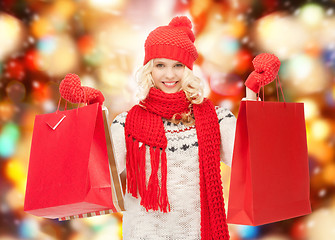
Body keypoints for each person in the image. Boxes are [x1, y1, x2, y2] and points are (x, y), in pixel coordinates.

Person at [110, 16, 280, 240]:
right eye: (160, 65)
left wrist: (251, 94)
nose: (169, 75)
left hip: (198, 233)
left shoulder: (216, 119)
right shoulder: (126, 123)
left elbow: (247, 159)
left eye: (177, 66)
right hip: (144, 234)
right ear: (149, 69)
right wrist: (92, 117)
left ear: (188, 70)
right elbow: (104, 173)